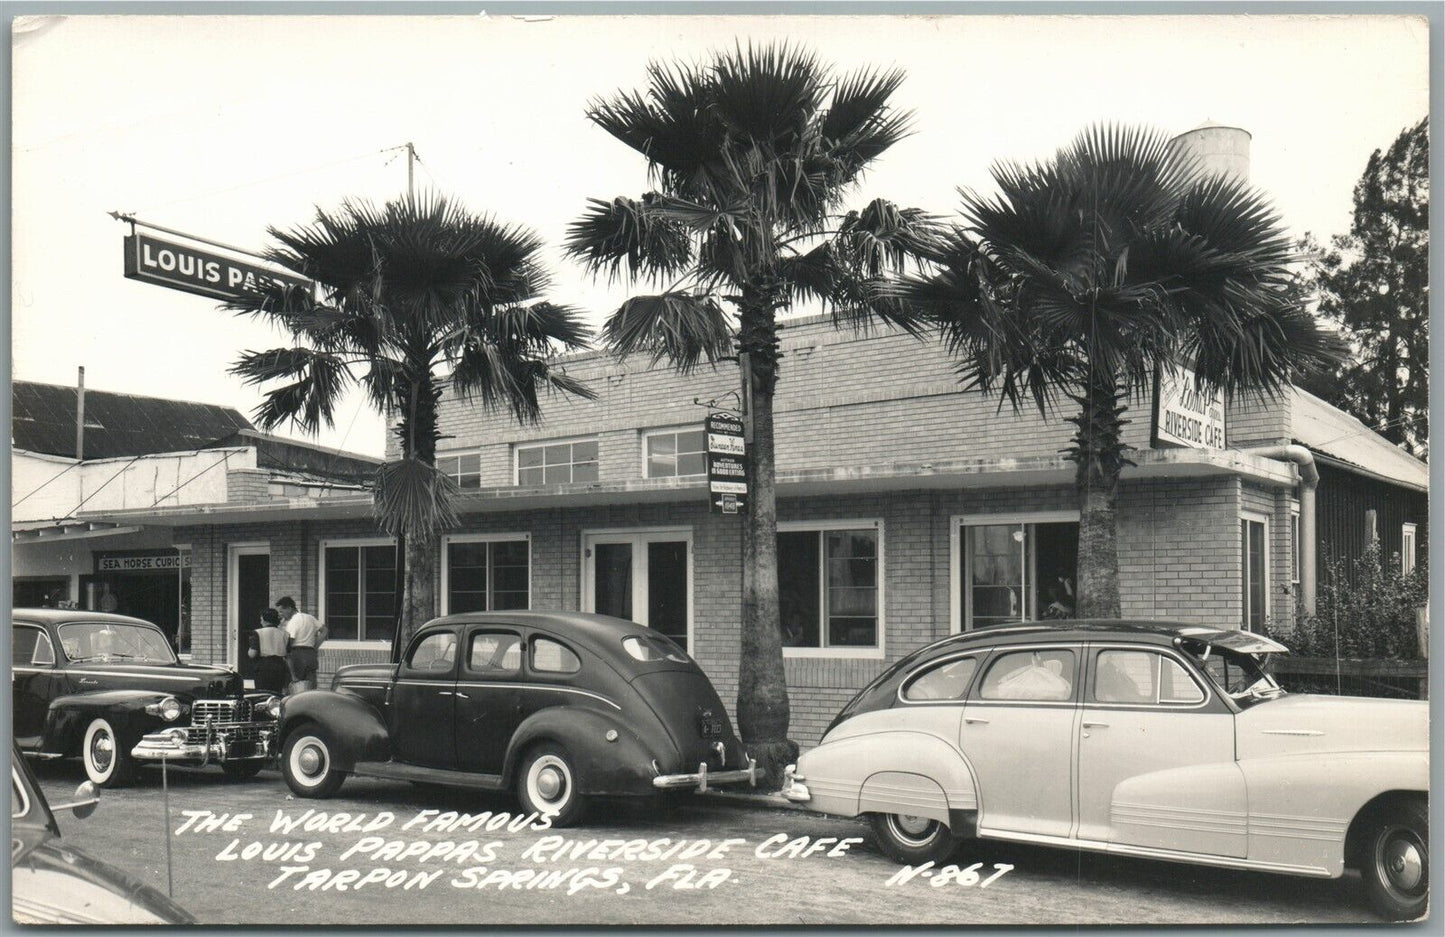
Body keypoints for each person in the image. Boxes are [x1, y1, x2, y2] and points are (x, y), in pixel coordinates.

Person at [276, 596, 325, 693]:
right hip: (311, 654)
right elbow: (325, 631)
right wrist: (315, 647)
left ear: (289, 608)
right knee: (310, 687)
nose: (280, 615)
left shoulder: (293, 622)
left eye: (281, 611)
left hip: (297, 655)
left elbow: (289, 642)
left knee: (295, 687)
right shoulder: (309, 617)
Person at [248, 608, 291, 694]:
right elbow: (288, 653)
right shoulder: (285, 634)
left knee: (263, 693)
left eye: (261, 619)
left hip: (264, 667)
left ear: (264, 620)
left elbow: (252, 654)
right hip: (280, 666)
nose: (261, 622)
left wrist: (249, 650)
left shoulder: (257, 632)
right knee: (276, 693)